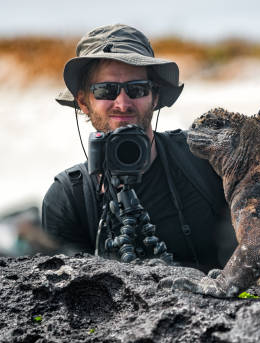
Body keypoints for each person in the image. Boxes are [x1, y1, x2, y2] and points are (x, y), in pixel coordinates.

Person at [42, 24, 236, 271]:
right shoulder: (69, 198)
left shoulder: (205, 159)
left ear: (154, 96)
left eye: (137, 89)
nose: (122, 104)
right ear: (83, 101)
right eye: (106, 90)